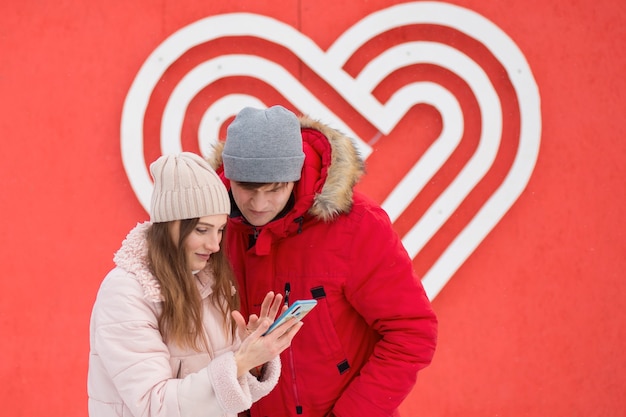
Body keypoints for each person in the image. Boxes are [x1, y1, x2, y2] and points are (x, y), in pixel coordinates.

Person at [208, 106, 438, 417]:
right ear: (229, 177)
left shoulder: (357, 226)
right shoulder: (212, 229)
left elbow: (412, 333)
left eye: (274, 189)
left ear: (297, 175)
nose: (259, 205)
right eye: (247, 190)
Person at [88, 152, 303, 417]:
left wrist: (252, 356)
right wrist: (239, 361)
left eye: (220, 229)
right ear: (169, 226)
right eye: (202, 230)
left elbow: (224, 395)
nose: (214, 245)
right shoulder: (126, 292)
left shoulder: (209, 281)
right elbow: (153, 405)